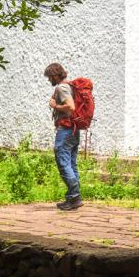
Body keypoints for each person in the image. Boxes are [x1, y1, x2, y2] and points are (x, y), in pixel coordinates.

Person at [45, 62, 82, 210]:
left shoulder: (61, 87)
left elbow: (71, 107)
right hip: (73, 130)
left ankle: (74, 196)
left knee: (63, 162)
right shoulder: (69, 86)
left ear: (55, 75)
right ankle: (73, 198)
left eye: (49, 77)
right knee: (71, 163)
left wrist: (55, 106)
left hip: (66, 130)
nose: (49, 80)